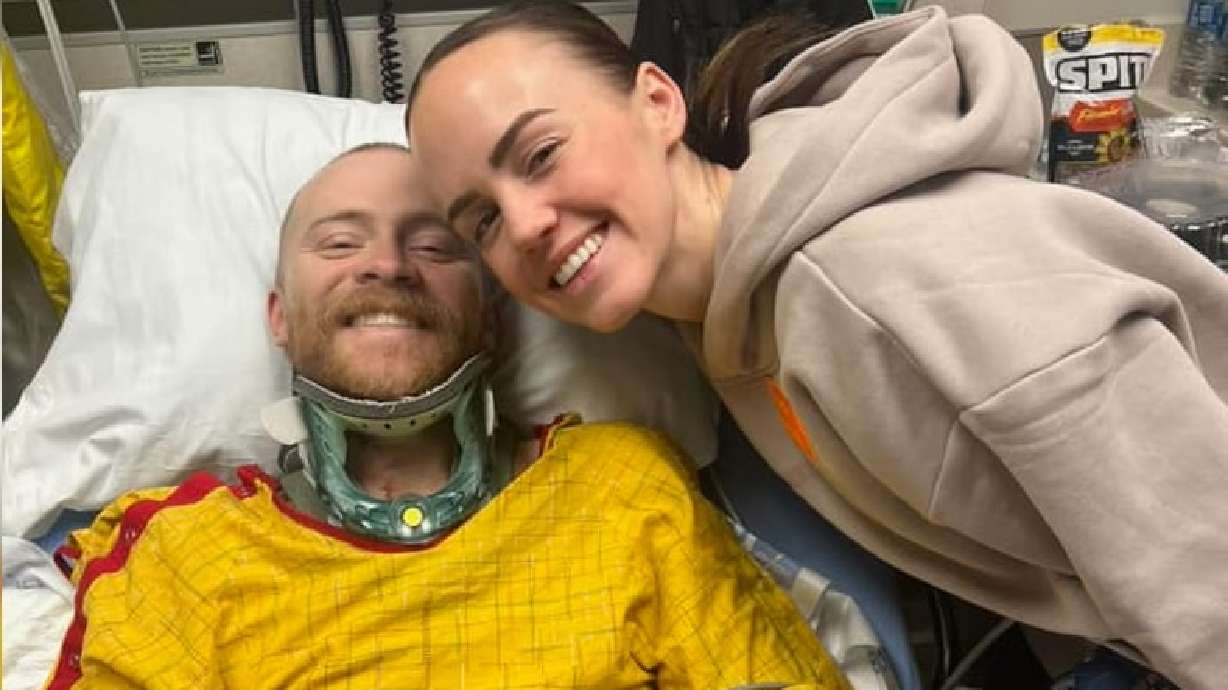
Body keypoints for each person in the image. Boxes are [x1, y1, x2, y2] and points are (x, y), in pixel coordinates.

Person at [404, 3, 1228, 689]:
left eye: (542, 155)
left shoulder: (874, 282)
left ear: (657, 102)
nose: (525, 225)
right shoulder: (723, 323)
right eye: (481, 219)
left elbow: (1205, 564)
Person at [41, 143, 850, 690]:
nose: (387, 265)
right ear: (279, 317)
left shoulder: (623, 491)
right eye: (338, 244)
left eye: (433, 246)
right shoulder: (180, 554)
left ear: (492, 320)